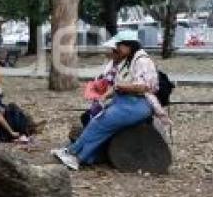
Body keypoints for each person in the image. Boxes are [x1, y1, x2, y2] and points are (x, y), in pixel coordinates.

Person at [52, 31, 163, 171]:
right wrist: (103, 97)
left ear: (129, 46)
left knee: (99, 123)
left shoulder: (142, 60)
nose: (115, 49)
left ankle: (74, 155)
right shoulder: (127, 60)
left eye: (119, 46)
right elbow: (117, 85)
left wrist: (120, 86)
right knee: (97, 121)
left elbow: (148, 86)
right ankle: (81, 155)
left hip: (138, 104)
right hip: (125, 102)